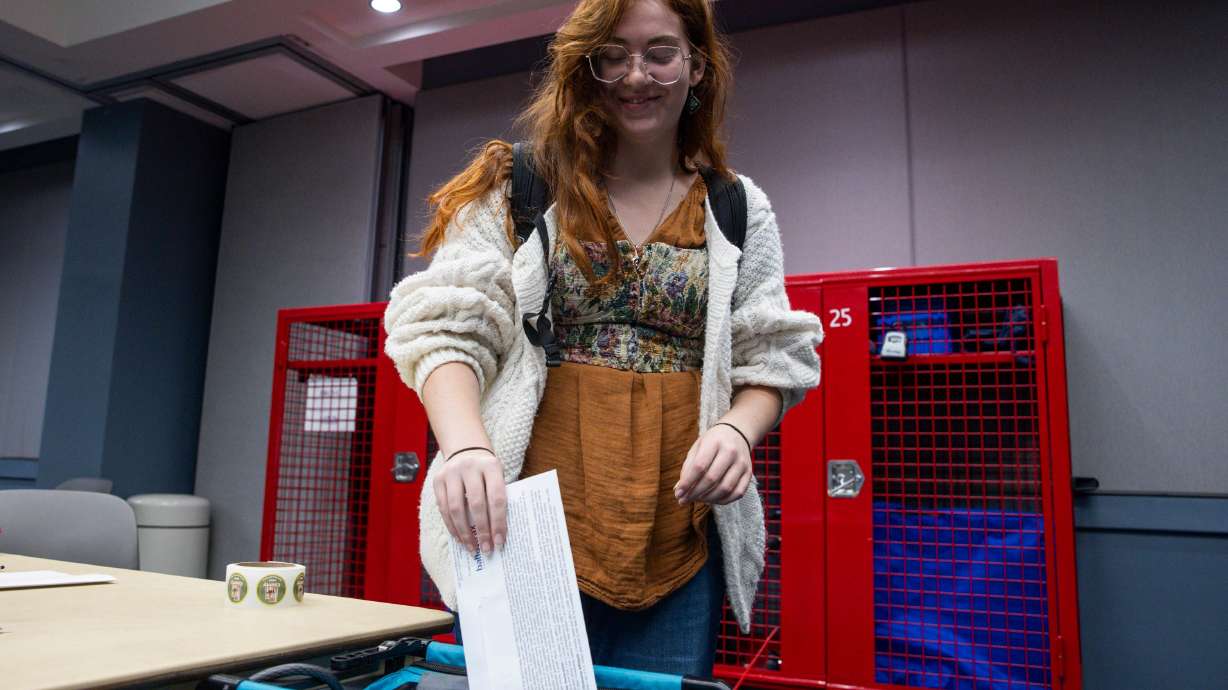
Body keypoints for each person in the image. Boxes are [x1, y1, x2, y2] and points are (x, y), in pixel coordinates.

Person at [384, 0, 823, 676]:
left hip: (681, 542)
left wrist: (739, 430)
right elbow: (445, 324)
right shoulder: (521, 186)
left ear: (698, 66)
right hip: (519, 528)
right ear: (585, 67)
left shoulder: (736, 208)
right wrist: (466, 444)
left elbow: (771, 352)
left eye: (659, 53)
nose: (634, 75)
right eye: (611, 55)